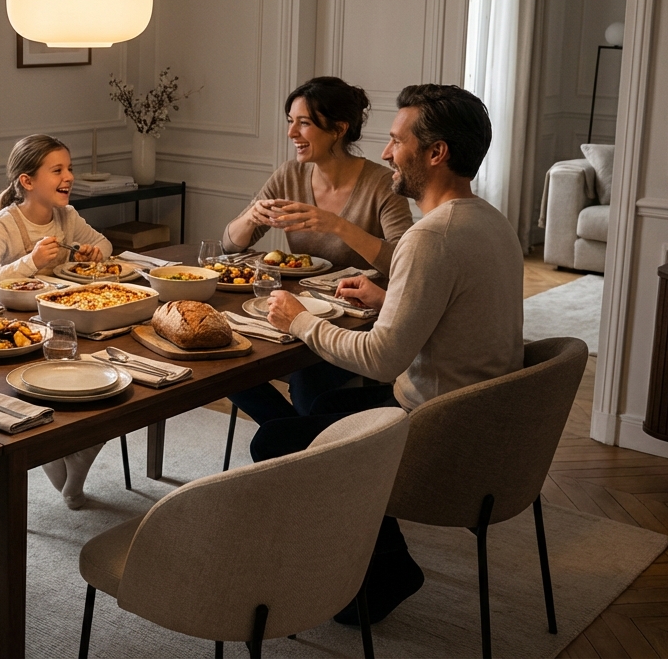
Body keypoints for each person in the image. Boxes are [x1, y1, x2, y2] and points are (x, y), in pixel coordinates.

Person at [254, 83, 524, 625]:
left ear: (435, 153)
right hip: (480, 420)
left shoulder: (432, 236)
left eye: (396, 140)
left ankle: (383, 567)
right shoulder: (489, 220)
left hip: (433, 430)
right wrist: (390, 296)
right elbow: (452, 312)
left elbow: (379, 359)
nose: (384, 151)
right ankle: (363, 541)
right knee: (310, 418)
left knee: (275, 441)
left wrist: (297, 319)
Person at [224, 77, 413, 423]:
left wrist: (337, 225)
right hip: (294, 311)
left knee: (309, 385)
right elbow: (229, 244)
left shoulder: (381, 185)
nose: (291, 133)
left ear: (339, 129)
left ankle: (297, 444)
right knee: (229, 363)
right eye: (290, 121)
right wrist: (251, 217)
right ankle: (297, 443)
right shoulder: (289, 176)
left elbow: (404, 262)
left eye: (304, 123)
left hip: (358, 324)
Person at [0, 134, 111, 509]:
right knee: (44, 407)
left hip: (66, 325)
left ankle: (72, 475)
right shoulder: (6, 223)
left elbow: (105, 244)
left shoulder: (67, 216)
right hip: (21, 336)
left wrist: (96, 251)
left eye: (70, 168)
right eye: (58, 170)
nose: (69, 177)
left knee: (104, 396)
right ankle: (70, 479)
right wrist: (29, 262)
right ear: (27, 181)